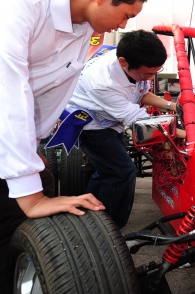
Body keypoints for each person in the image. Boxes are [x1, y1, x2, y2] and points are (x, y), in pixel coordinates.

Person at [0, 0, 146, 294]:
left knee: (31, 215)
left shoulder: (83, 29)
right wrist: (30, 193)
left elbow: (50, 92)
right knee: (22, 210)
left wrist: (32, 149)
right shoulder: (22, 3)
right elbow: (9, 91)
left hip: (14, 138)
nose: (124, 25)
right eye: (125, 15)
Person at [64, 30, 181, 229]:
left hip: (110, 120)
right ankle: (110, 231)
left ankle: (88, 220)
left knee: (106, 170)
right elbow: (139, 120)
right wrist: (191, 134)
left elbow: (141, 93)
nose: (151, 77)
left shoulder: (132, 60)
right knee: (122, 171)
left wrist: (172, 106)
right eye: (148, 74)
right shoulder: (103, 82)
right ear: (123, 62)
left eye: (156, 71)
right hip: (92, 125)